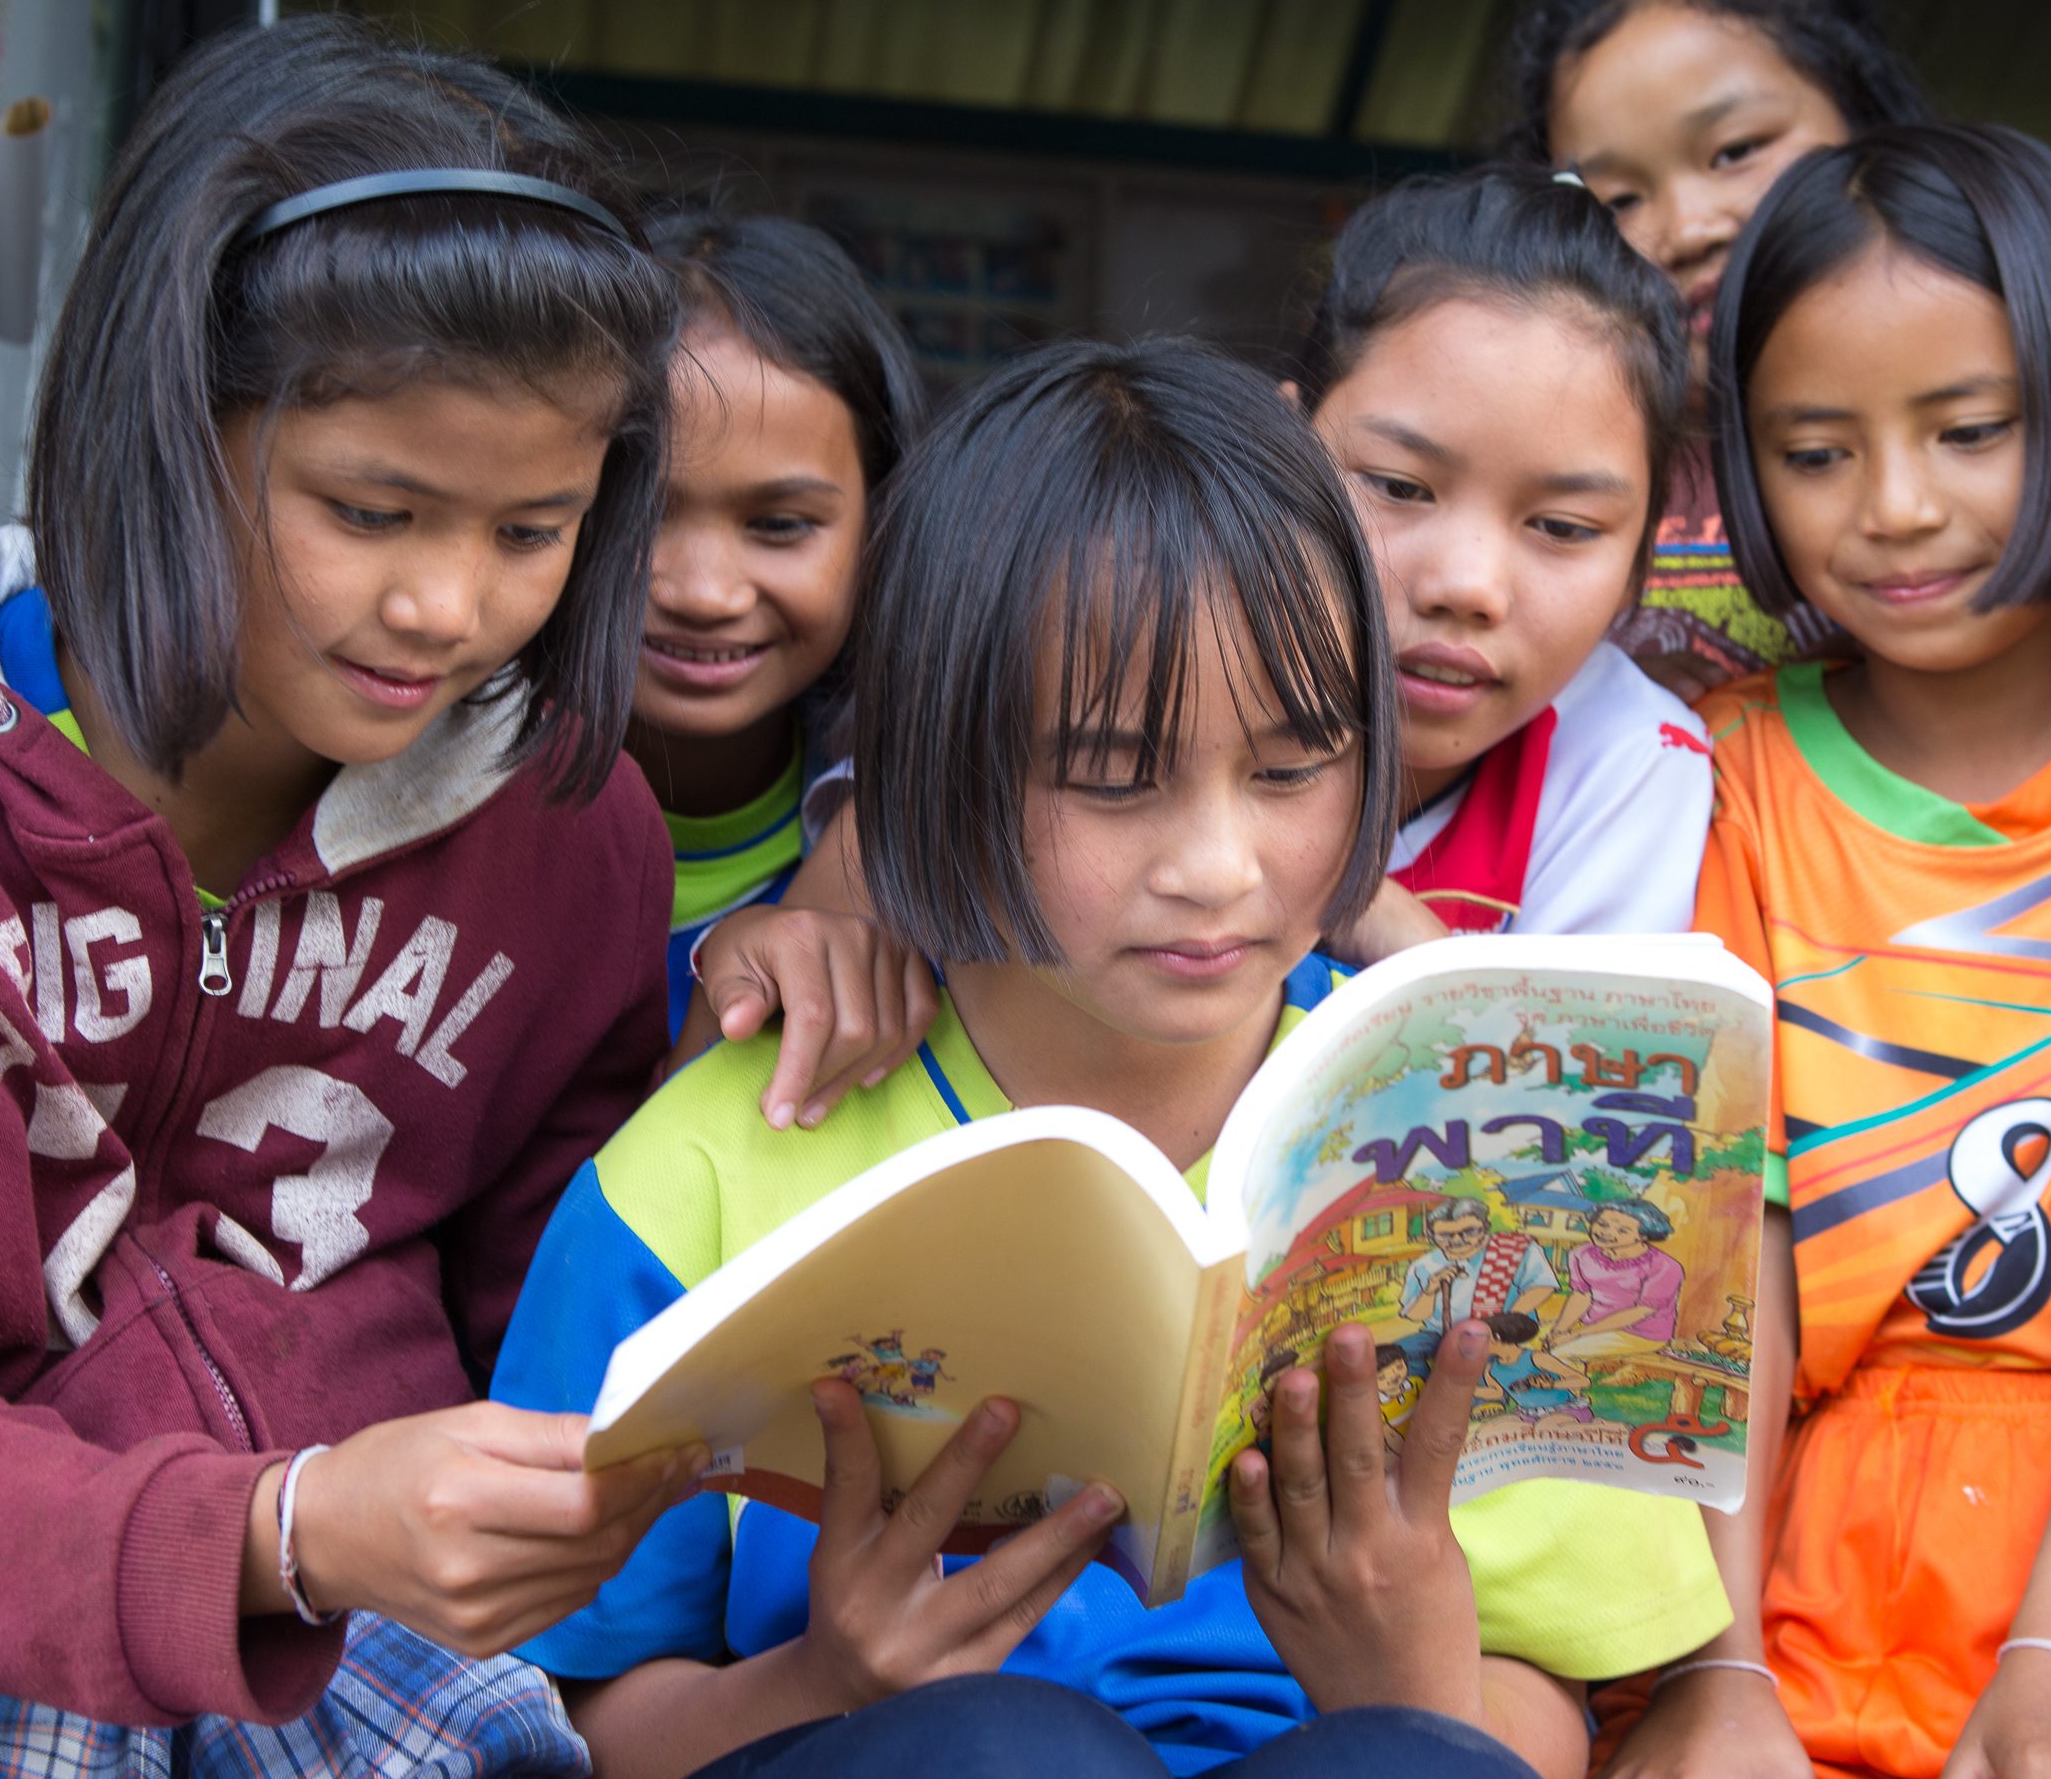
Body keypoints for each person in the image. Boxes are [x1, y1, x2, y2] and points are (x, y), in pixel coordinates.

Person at [0, 17, 721, 1773]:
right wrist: (280, 1525)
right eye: (372, 509)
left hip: (382, 1624)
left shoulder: (572, 832)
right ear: (171, 425)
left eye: (528, 530)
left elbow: (548, 1332)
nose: (446, 607)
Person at [491, 339, 1730, 1778]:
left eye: (1289, 770)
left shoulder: (1496, 1155)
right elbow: (569, 1717)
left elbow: (1543, 1704)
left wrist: (1408, 1681)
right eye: (1110, 776)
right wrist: (822, 1682)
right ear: (939, 758)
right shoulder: (714, 1160)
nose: (1216, 866)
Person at [1604, 125, 2051, 1779]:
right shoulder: (1720, 775)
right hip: (1780, 1551)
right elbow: (1727, 1230)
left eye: (1968, 430)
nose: (1896, 508)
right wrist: (1715, 1659)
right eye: (1813, 451)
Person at [1497, 0, 1935, 699]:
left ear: (1866, 121)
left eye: (1734, 151)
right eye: (1618, 199)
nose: (1686, 229)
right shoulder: (1543, 467)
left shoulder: (1987, 422)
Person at [1290, 167, 1712, 950]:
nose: (1467, 585)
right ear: (1275, 452)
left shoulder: (1628, 766)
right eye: (1398, 487)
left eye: (1561, 527)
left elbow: (1567, 1038)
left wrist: (1371, 918)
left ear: (1638, 560)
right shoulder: (1147, 659)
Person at [626, 205, 930, 1087]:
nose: (703, 592)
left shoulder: (921, 849)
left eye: (780, 524)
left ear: (882, 527)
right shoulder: (435, 812)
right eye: (636, 515)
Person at [1398, 1198, 1559, 1336]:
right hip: (1439, 1337)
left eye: (1469, 1231)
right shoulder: (1423, 1265)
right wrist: (1430, 1290)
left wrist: (1500, 1326)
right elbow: (1414, 1315)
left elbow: (1542, 1287)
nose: (1457, 1240)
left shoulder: (1514, 1249)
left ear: (1485, 1228)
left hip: (1503, 1336)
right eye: (1445, 1235)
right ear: (1432, 1236)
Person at [1551, 1199, 1684, 1347]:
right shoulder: (1581, 1254)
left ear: (1643, 1236)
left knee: (1557, 1353)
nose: (1606, 1232)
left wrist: (1577, 1335)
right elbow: (1581, 1295)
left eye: (1622, 1230)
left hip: (1639, 1335)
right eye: (1602, 1224)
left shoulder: (1665, 1266)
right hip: (1589, 1328)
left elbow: (1642, 1311)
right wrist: (1559, 1331)